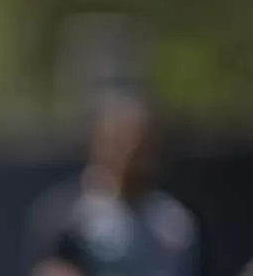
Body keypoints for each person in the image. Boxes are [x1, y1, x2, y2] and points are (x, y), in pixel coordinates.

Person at [26, 87, 202, 276]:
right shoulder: (69, 218)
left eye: (144, 140)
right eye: (122, 139)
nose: (135, 150)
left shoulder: (177, 222)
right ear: (99, 143)